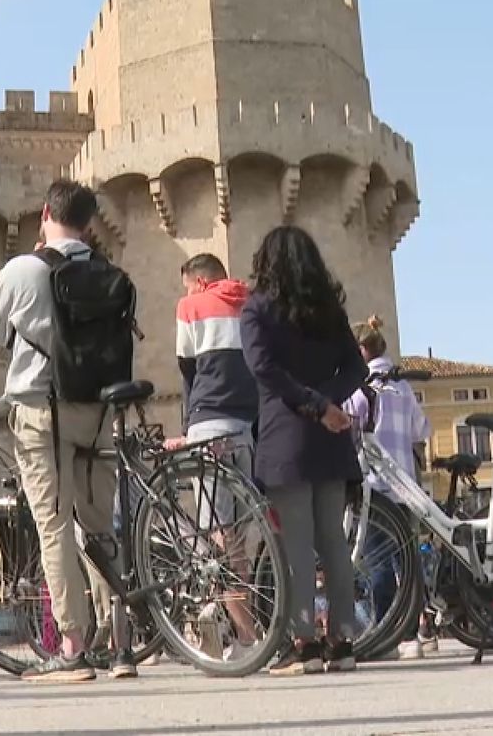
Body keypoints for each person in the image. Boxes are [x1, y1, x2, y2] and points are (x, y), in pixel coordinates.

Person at [0, 179, 124, 683]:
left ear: (44, 213)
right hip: (100, 414)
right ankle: (121, 643)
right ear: (89, 224)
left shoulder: (22, 269)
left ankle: (72, 646)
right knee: (99, 527)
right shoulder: (109, 272)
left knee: (55, 526)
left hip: (41, 410)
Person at [239, 225, 368, 676]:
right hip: (330, 437)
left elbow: (264, 370)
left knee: (295, 544)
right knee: (333, 540)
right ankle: (344, 640)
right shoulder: (329, 310)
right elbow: (356, 365)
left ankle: (304, 643)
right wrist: (329, 402)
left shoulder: (257, 309)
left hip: (286, 434)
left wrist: (313, 405)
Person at [171, 252, 262, 659]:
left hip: (208, 426)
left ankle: (244, 638)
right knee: (239, 537)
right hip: (246, 428)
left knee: (218, 540)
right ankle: (233, 623)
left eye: (187, 285)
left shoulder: (191, 305)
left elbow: (188, 372)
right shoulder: (251, 305)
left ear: (199, 281)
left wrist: (187, 425)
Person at [341, 316, 431, 660]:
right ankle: (416, 634)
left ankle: (388, 636)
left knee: (377, 563)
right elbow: (422, 431)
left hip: (375, 487)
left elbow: (348, 427)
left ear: (362, 350)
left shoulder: (363, 387)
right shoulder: (403, 386)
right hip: (405, 485)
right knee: (407, 561)